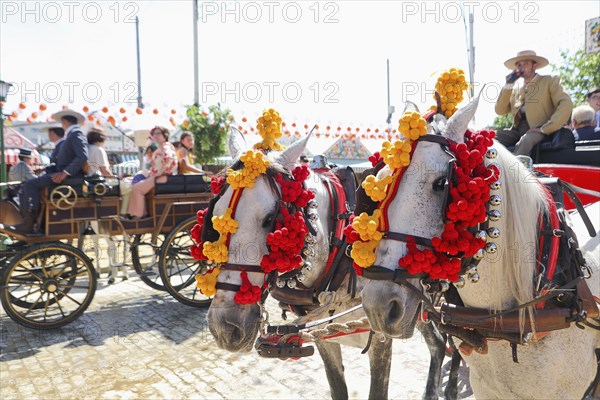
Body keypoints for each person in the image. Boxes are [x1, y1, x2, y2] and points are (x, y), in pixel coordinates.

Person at [7, 109, 88, 234]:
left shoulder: (76, 134)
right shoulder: (72, 135)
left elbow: (82, 157)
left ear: (64, 121)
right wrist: (45, 169)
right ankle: (32, 222)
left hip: (68, 178)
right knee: (28, 184)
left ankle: (29, 224)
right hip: (62, 175)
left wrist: (64, 173)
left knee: (29, 184)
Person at [495, 50, 573, 156]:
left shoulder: (549, 81)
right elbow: (500, 110)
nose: (521, 67)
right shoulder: (516, 89)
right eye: (518, 64)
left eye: (525, 63)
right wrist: (508, 84)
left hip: (541, 129)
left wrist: (545, 128)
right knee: (490, 137)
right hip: (517, 131)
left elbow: (566, 104)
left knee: (526, 140)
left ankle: (516, 171)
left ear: (534, 66)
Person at [126, 126, 177, 219]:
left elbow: (169, 157)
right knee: (136, 186)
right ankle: (142, 212)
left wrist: (162, 171)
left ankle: (139, 215)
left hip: (162, 177)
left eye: (158, 133)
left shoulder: (165, 146)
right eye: (154, 134)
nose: (155, 135)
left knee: (136, 188)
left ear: (164, 135)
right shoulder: (162, 147)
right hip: (157, 176)